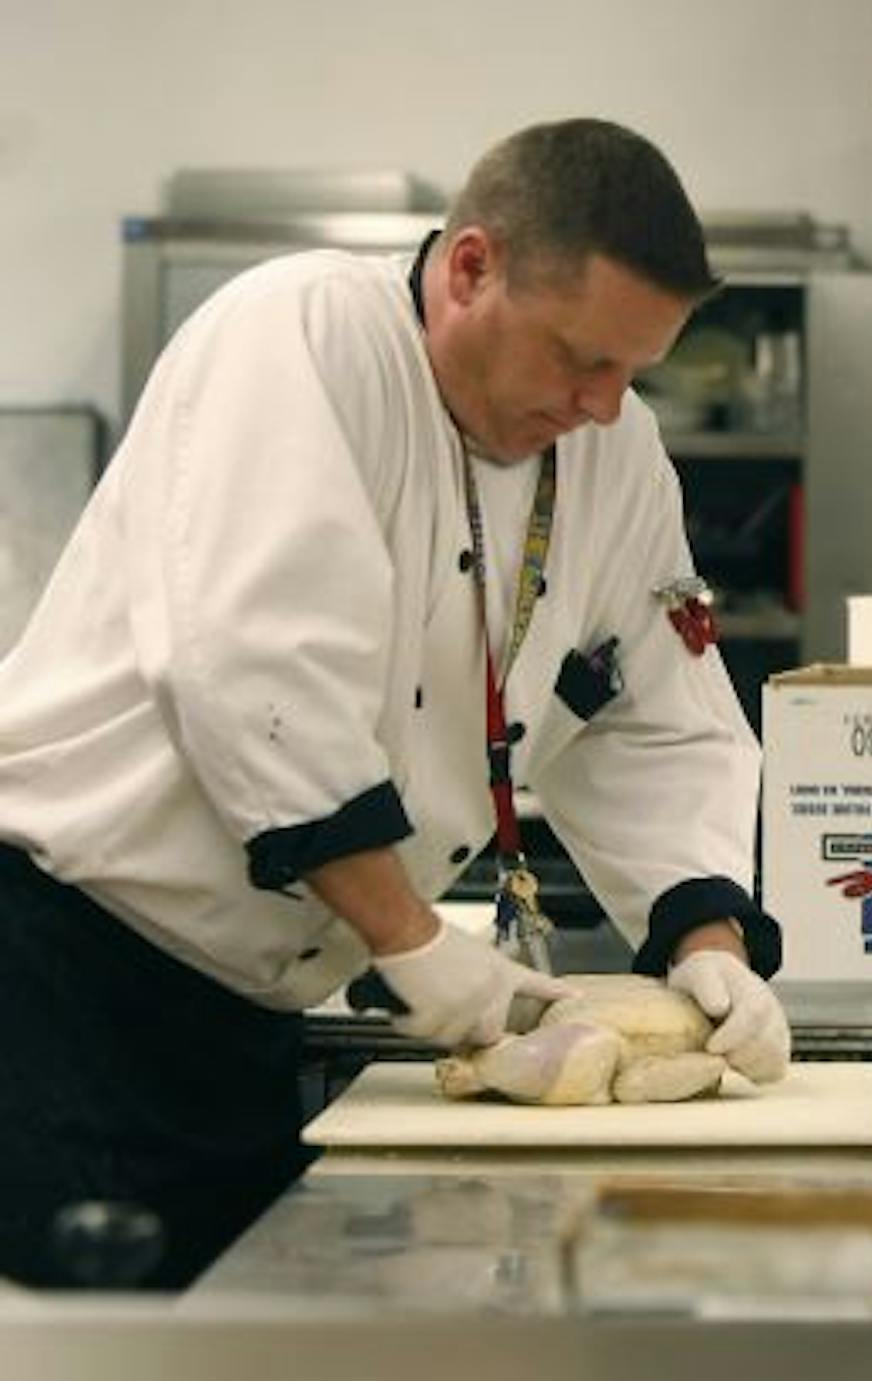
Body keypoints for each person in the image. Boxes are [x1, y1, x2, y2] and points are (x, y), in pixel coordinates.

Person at [0, 118, 787, 1289]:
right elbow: (258, 672)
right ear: (471, 268)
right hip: (64, 979)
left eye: (634, 371)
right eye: (581, 358)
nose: (606, 404)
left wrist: (705, 935)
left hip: (246, 1015)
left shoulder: (612, 457)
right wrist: (408, 935)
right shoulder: (305, 337)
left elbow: (652, 713)